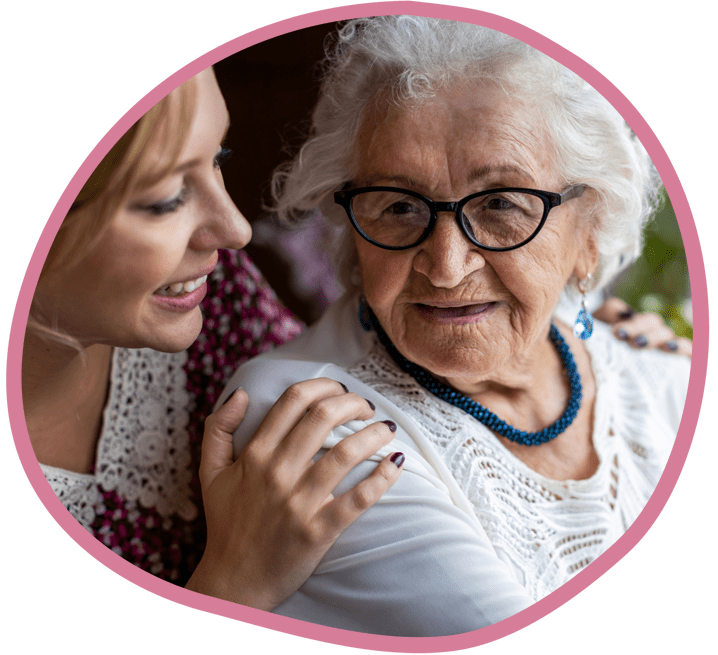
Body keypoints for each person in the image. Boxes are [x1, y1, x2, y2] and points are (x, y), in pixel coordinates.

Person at [221, 16, 692, 634]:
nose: (445, 267)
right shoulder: (312, 424)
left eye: (501, 204)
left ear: (589, 231)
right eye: (399, 205)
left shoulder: (662, 381)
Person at [22, 67, 407, 610]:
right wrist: (233, 584)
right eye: (165, 198)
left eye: (216, 159)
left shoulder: (201, 298)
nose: (235, 230)